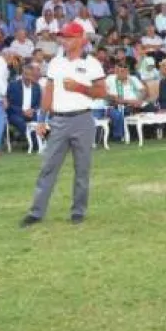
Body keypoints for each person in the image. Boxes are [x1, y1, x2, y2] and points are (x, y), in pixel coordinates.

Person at [20, 23, 106, 228]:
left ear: (79, 40)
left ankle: (78, 211)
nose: (64, 41)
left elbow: (101, 92)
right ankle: (36, 212)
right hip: (58, 120)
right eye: (63, 38)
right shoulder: (56, 62)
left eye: (68, 37)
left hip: (83, 118)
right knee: (48, 167)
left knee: (82, 169)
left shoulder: (92, 63)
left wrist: (79, 88)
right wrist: (41, 119)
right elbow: (48, 92)